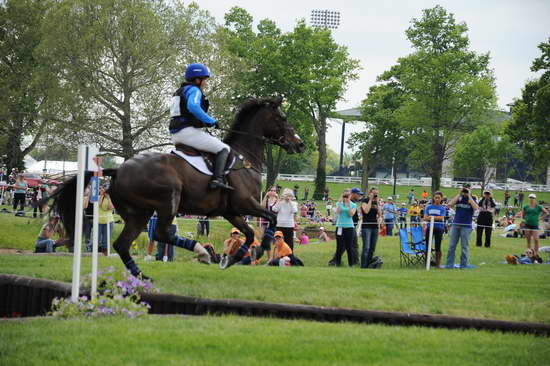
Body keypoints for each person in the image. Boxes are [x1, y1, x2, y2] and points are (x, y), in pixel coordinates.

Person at [169, 63, 232, 190]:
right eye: (205, 80)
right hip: (187, 132)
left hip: (176, 134)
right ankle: (217, 179)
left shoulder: (180, 91)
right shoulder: (194, 90)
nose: (206, 83)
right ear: (197, 80)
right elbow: (193, 106)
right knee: (224, 148)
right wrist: (211, 121)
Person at [445, 186, 479, 269]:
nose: (465, 190)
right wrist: (459, 194)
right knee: (451, 246)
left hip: (466, 226)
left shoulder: (473, 198)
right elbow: (449, 205)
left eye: (467, 188)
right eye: (464, 188)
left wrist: (469, 195)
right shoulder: (459, 197)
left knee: (464, 247)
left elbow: (476, 208)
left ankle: (463, 265)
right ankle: (449, 265)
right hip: (456, 224)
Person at [331, 189, 357, 267]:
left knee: (349, 247)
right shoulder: (339, 203)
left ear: (350, 196)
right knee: (339, 246)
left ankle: (351, 264)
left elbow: (350, 214)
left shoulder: (353, 205)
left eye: (347, 196)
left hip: (349, 227)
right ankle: (337, 263)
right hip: (340, 226)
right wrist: (340, 202)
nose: (346, 197)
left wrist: (348, 204)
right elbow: (338, 212)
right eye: (344, 196)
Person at [360, 187, 383, 269]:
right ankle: (363, 266)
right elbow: (366, 211)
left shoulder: (376, 202)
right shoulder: (365, 201)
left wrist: (377, 203)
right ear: (370, 193)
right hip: (366, 226)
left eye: (376, 193)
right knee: (366, 247)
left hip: (375, 227)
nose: (375, 195)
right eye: (374, 193)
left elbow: (380, 214)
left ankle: (369, 264)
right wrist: (370, 200)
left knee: (372, 248)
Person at [424, 192, 446, 267]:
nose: (437, 199)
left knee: (438, 246)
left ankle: (438, 263)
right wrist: (434, 217)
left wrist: (431, 217)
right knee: (427, 245)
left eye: (438, 198)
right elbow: (425, 217)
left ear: (441, 198)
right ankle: (427, 262)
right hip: (429, 228)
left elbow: (441, 218)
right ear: (433, 198)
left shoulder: (442, 208)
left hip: (439, 228)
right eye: (435, 197)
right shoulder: (428, 207)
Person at [98, 185, 114, 254]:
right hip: (99, 221)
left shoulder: (110, 198)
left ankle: (105, 253)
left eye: (102, 189)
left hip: (108, 221)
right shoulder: (98, 197)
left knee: (106, 239)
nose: (101, 190)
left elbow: (111, 208)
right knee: (97, 238)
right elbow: (99, 205)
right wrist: (101, 196)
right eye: (100, 189)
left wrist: (108, 198)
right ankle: (96, 251)